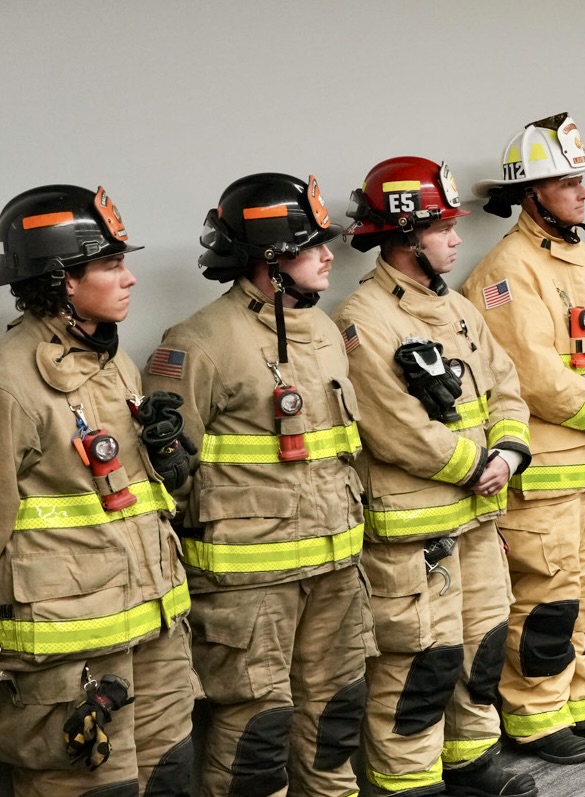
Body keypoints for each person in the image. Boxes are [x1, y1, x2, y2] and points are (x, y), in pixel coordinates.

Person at [143, 173, 373, 796]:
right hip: (247, 585)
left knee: (336, 710)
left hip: (335, 566)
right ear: (272, 260)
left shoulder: (324, 332)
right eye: (312, 245)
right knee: (256, 727)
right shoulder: (197, 344)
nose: (330, 255)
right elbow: (168, 479)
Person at [332, 156, 536, 797]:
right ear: (404, 237)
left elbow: (506, 385)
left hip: (476, 517)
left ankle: (472, 761)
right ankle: (407, 782)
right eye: (443, 227)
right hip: (414, 532)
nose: (456, 238)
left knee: (480, 642)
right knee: (419, 662)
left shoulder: (457, 309)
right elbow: (393, 427)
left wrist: (508, 451)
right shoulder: (361, 320)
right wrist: (478, 465)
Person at [0, 185, 195, 796]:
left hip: (153, 627)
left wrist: (166, 459)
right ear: (60, 281)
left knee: (170, 777)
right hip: (70, 654)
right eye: (110, 264)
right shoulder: (11, 384)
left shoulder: (111, 361)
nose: (129, 278)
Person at [462, 112, 585, 764]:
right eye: (568, 182)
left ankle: (579, 702)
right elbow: (534, 376)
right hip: (549, 469)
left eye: (582, 179)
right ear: (532, 195)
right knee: (547, 600)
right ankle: (532, 717)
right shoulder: (505, 269)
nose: (583, 192)